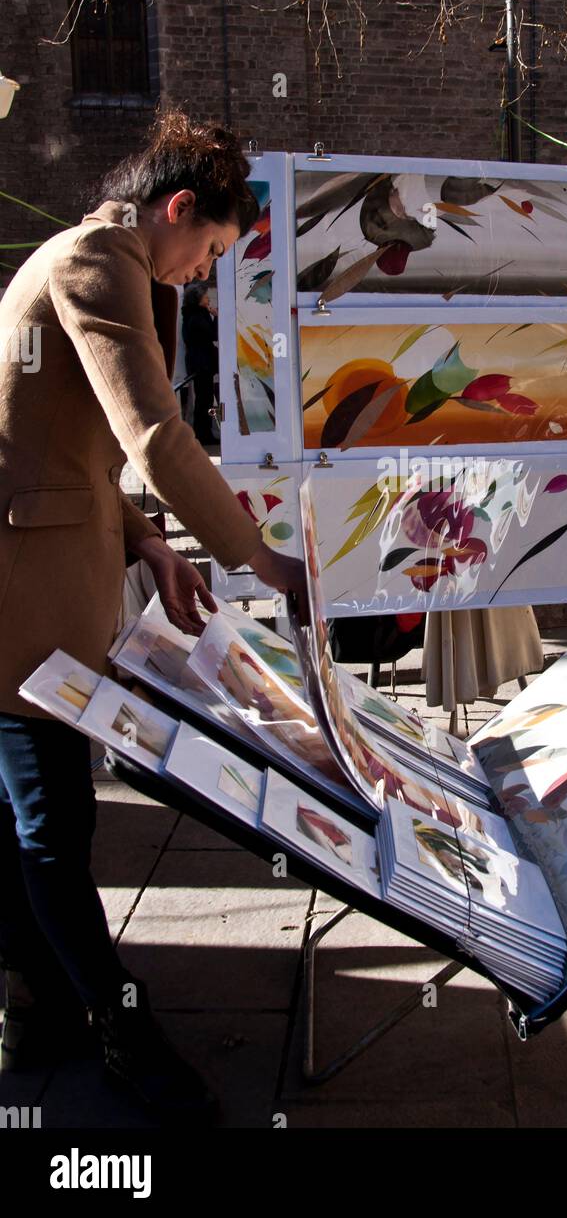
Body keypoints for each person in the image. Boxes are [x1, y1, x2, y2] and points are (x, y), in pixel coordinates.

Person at [0, 110, 308, 1125]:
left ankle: (44, 1006)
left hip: (41, 575)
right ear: (178, 210)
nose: (197, 274)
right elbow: (154, 437)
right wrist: (257, 557)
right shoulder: (100, 259)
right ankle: (122, 1030)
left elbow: (59, 446)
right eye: (209, 251)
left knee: (28, 822)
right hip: (23, 601)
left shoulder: (82, 253)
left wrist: (147, 543)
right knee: (52, 826)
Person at [181, 283, 219, 446]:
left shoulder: (192, 315)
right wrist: (216, 317)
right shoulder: (198, 316)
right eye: (205, 296)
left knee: (204, 398)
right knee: (204, 399)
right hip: (201, 364)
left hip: (200, 362)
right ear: (198, 299)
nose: (208, 298)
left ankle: (203, 433)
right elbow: (212, 334)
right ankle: (203, 434)